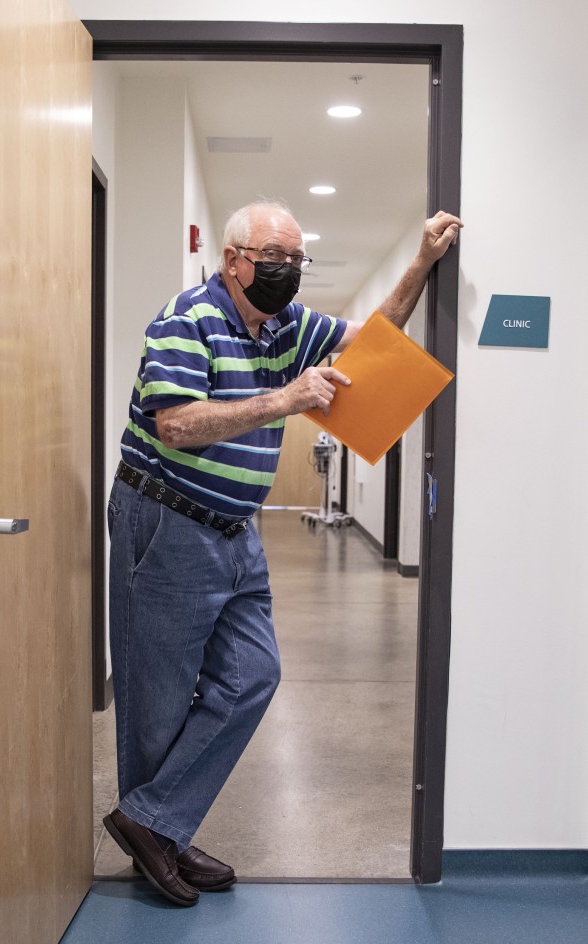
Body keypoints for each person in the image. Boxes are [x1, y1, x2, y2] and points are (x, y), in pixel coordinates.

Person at [103, 201, 462, 906]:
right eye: (273, 256)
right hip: (167, 521)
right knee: (160, 701)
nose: (285, 271)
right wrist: (287, 398)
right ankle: (159, 839)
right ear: (233, 258)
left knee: (252, 676)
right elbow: (175, 424)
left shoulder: (289, 326)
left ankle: (152, 822)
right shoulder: (188, 319)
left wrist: (420, 260)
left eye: (296, 260)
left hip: (236, 530)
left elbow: (376, 342)